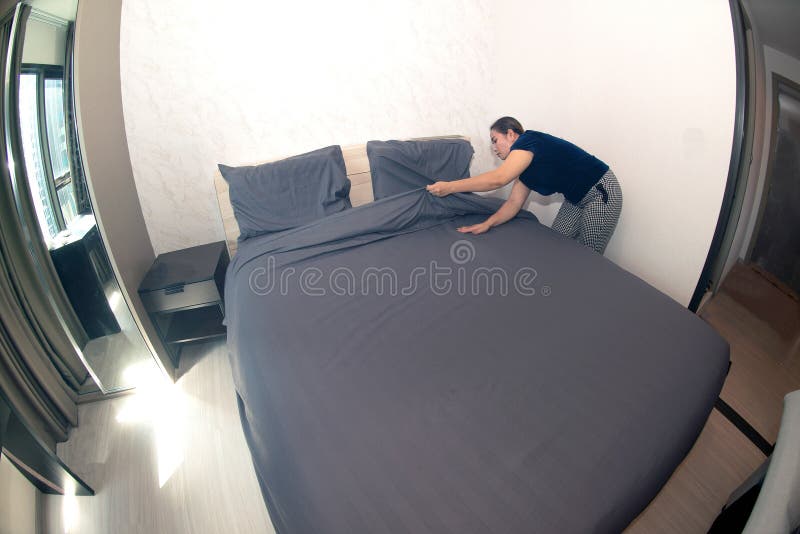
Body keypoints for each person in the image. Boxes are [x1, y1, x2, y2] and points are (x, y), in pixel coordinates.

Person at [426, 116, 622, 254]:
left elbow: (498, 179)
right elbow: (513, 203)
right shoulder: (524, 168)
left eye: (495, 141)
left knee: (589, 252)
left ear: (511, 134)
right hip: (576, 198)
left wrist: (450, 186)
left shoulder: (529, 140)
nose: (494, 148)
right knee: (557, 241)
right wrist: (486, 224)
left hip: (600, 191)